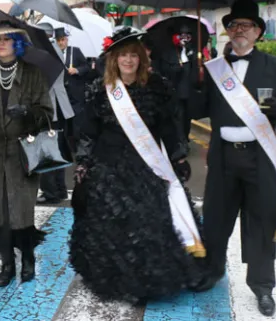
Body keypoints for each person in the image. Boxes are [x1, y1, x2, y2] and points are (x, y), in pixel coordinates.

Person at [69, 27, 203, 303]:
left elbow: (170, 127)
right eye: (122, 56)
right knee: (112, 222)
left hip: (146, 165)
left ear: (142, 58)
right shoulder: (99, 89)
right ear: (113, 59)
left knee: (148, 221)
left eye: (133, 55)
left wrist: (178, 157)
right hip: (108, 165)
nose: (128, 61)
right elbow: (88, 131)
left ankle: (145, 282)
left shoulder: (158, 87)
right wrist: (83, 161)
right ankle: (118, 279)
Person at [190, 0, 276, 317]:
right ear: (227, 32)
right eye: (234, 25)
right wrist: (192, 82)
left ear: (258, 32)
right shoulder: (212, 70)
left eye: (246, 26)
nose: (239, 30)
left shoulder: (274, 67)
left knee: (262, 222)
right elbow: (198, 111)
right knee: (216, 218)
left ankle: (262, 286)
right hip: (223, 158)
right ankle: (211, 272)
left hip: (259, 158)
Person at [0, 21, 53, 287]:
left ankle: (27, 258)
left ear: (16, 44)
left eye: (6, 39)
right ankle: (7, 263)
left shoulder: (32, 73)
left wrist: (29, 113)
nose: (1, 44)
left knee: (21, 210)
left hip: (22, 152)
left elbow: (47, 113)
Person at [40, 27, 87, 204]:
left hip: (49, 106)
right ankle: (59, 190)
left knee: (48, 148)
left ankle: (51, 191)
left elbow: (43, 81)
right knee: (58, 147)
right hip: (58, 106)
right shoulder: (55, 51)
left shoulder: (46, 53)